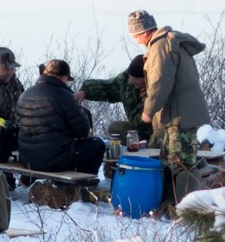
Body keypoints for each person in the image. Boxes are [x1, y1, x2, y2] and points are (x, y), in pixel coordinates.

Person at [127, 9, 208, 172]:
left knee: (179, 167)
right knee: (172, 164)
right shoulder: (170, 42)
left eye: (136, 36)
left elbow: (160, 82)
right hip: (181, 115)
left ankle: (182, 198)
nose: (136, 41)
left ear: (144, 32)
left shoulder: (160, 47)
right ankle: (175, 197)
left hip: (179, 117)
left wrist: (148, 111)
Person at [14, 59, 106, 174]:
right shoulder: (65, 96)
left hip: (27, 159)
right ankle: (84, 184)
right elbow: (83, 131)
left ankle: (27, 181)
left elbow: (18, 125)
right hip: (54, 161)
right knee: (97, 145)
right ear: (64, 77)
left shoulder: (25, 94)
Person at [78, 53, 147, 147]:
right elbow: (108, 87)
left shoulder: (159, 89)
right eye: (131, 77)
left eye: (136, 79)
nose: (132, 81)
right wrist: (85, 91)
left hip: (155, 133)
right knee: (115, 127)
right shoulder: (125, 82)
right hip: (136, 132)